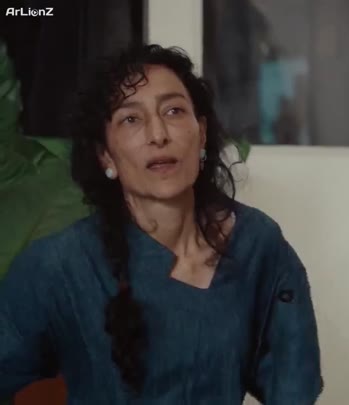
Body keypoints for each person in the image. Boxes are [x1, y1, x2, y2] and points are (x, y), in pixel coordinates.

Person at [0, 45, 323, 404]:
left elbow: (294, 386)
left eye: (173, 111)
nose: (158, 134)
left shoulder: (256, 242)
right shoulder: (62, 263)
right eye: (131, 119)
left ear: (201, 133)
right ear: (106, 154)